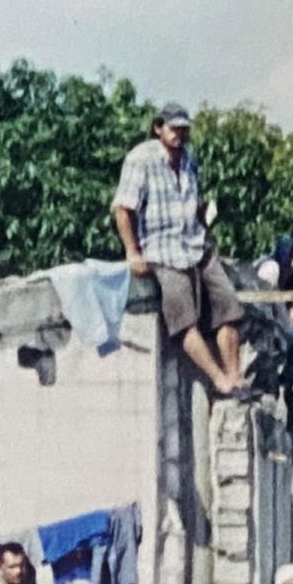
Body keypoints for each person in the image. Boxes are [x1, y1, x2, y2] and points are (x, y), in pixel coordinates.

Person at [111, 105, 249, 400]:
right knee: (183, 318)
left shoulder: (189, 159)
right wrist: (132, 252)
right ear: (159, 128)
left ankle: (235, 377)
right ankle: (219, 379)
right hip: (162, 250)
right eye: (174, 129)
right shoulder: (141, 159)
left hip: (196, 244)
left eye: (184, 129)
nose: (179, 135)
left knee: (229, 306)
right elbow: (123, 209)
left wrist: (207, 230)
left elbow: (194, 204)